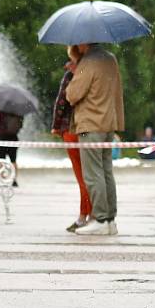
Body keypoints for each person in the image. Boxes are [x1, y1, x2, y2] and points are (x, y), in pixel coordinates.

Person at [65, 43, 124, 236]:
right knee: (107, 172)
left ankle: (100, 219)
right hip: (108, 123)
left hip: (91, 124)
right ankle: (110, 219)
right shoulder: (110, 59)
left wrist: (75, 73)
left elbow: (73, 95)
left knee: (92, 174)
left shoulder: (88, 62)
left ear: (85, 41)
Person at [51, 45, 92, 231]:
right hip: (91, 128)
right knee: (92, 175)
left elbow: (61, 101)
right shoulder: (92, 72)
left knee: (81, 176)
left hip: (72, 129)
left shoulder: (71, 75)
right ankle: (92, 213)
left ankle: (84, 215)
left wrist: (55, 126)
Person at [0, 106, 22, 186]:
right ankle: (14, 179)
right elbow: (20, 123)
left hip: (1, 136)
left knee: (1, 160)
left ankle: (3, 179)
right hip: (13, 137)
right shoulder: (18, 106)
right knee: (13, 160)